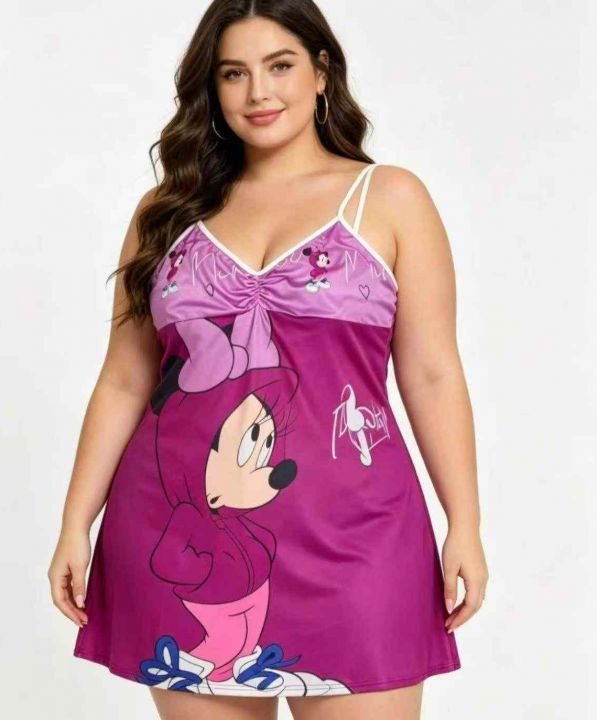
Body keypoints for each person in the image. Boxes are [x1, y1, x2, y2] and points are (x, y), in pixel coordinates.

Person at [48, 2, 489, 719]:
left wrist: (463, 521)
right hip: (187, 540)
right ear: (212, 88)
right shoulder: (168, 210)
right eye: (234, 73)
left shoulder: (389, 198)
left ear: (321, 72)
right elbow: (125, 379)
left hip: (357, 539)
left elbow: (432, 373)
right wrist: (76, 521)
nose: (258, 92)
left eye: (279, 65)